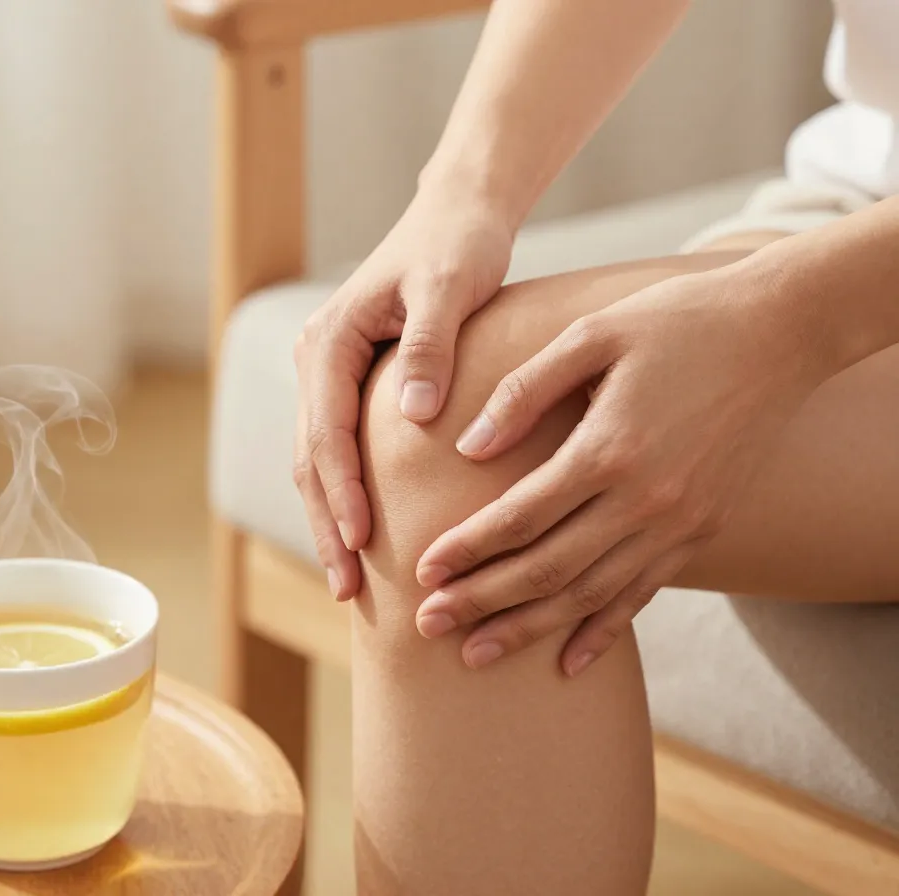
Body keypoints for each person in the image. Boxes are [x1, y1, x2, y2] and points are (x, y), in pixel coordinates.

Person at [291, 1, 899, 892]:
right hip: (859, 197)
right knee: (444, 423)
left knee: (474, 464)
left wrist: (791, 319)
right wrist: (463, 191)